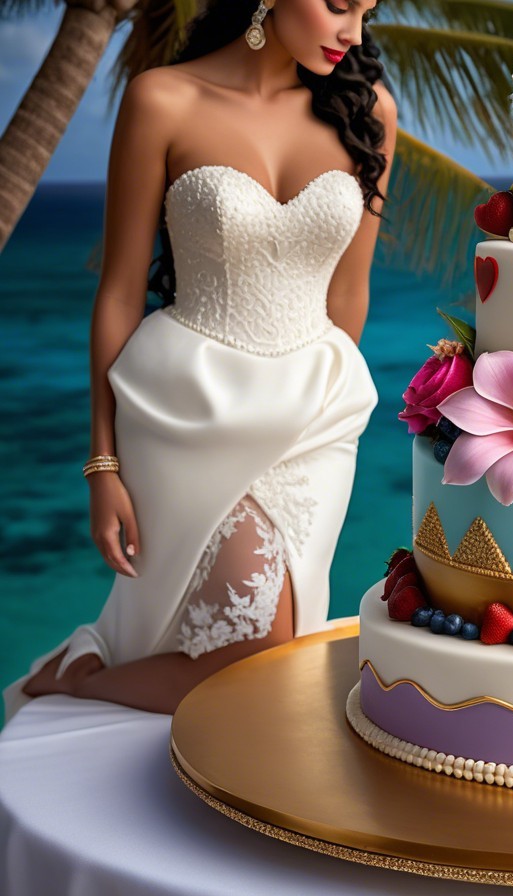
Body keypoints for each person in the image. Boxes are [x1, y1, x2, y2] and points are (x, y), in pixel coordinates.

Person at [4, 0, 397, 719]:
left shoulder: (368, 112)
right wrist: (102, 463)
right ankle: (72, 682)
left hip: (315, 423)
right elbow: (120, 293)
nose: (352, 33)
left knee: (277, 652)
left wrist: (324, 414)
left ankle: (95, 681)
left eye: (366, 12)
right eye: (339, 6)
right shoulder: (163, 98)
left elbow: (349, 293)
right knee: (254, 654)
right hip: (186, 408)